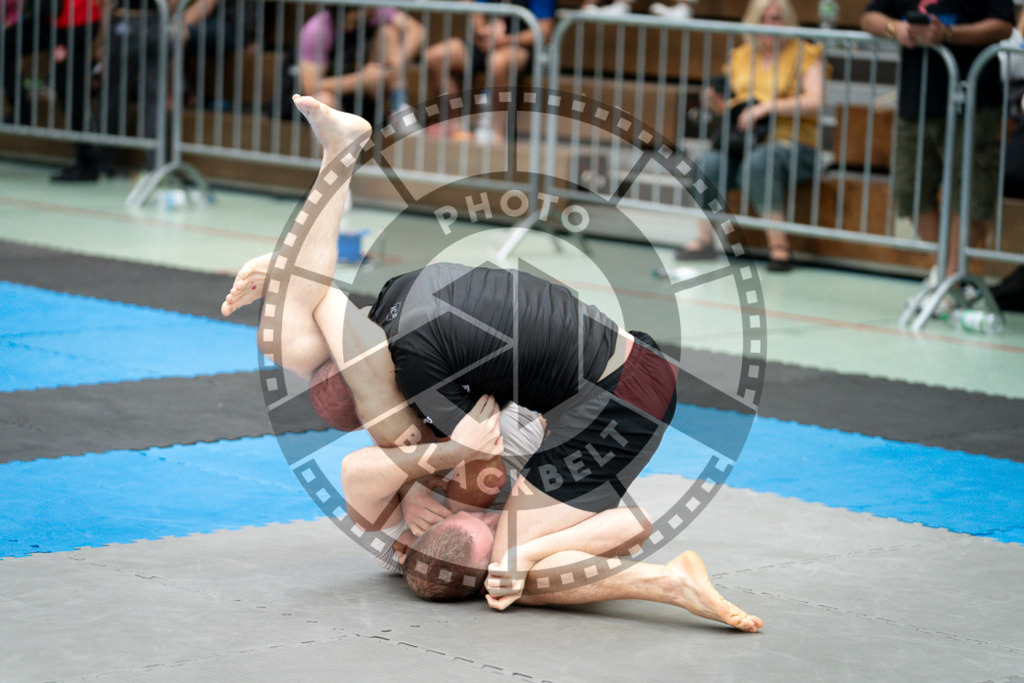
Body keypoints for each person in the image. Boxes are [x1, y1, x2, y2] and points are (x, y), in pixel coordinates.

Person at [219, 95, 760, 631]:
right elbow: (633, 522)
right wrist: (516, 555)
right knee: (525, 572)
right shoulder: (503, 498)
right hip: (609, 388)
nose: (489, 510)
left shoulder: (401, 530)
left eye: (476, 518)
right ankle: (667, 582)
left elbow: (354, 471)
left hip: (602, 375)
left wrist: (422, 479)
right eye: (488, 521)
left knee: (296, 353)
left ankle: (332, 208)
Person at [860, 0, 1014, 281]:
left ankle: (949, 277)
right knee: (909, 192)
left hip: (973, 102)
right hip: (915, 100)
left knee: (968, 197)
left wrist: (949, 34)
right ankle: (946, 274)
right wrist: (895, 28)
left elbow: (1003, 25)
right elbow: (869, 16)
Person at [676, 0, 826, 271]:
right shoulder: (742, 55)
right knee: (709, 163)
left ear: (788, 21)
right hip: (743, 141)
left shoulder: (805, 53)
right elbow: (731, 106)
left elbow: (816, 100)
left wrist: (766, 108)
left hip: (792, 141)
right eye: (764, 18)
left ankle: (779, 247)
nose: (771, 24)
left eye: (777, 18)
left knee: (760, 163)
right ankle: (704, 239)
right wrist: (715, 103)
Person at [2, 0, 106, 180]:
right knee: (6, 45)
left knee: (69, 89)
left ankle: (87, 161)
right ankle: (21, 111)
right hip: (48, 17)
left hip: (75, 22)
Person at [423, 0, 554, 142]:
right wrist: (483, 30)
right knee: (435, 57)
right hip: (485, 42)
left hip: (518, 45)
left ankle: (495, 130)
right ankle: (454, 125)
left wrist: (505, 40)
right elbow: (477, 11)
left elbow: (545, 30)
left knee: (497, 62)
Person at [298, 6, 423, 133]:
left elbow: (417, 30)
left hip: (369, 93)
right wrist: (361, 79)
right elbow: (310, 86)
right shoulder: (318, 29)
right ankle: (336, 152)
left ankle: (399, 107)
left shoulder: (375, 11)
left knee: (389, 32)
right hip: (338, 97)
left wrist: (397, 60)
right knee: (322, 101)